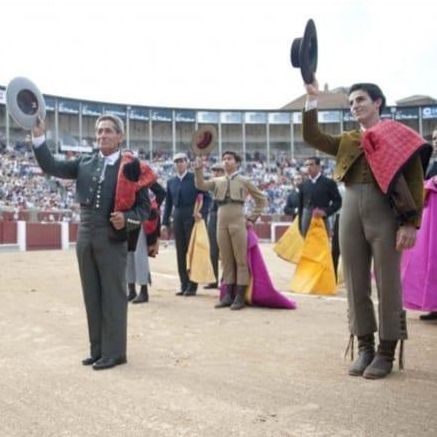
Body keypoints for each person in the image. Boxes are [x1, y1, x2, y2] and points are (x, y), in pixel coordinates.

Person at [303, 78, 429, 379]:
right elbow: (312, 136)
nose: (354, 106)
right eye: (351, 103)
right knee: (354, 280)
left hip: (385, 211)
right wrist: (311, 101)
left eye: (360, 100)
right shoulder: (347, 139)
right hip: (350, 209)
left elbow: (414, 178)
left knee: (388, 282)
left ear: (377, 103)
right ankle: (364, 348)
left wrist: (411, 223)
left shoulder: (400, 136)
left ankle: (386, 352)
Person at [31, 114, 151, 370]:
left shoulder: (130, 167)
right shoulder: (85, 162)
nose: (102, 135)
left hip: (111, 236)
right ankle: (97, 350)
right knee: (92, 294)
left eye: (108, 131)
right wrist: (39, 137)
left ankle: (116, 352)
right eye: (99, 131)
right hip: (85, 234)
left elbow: (144, 209)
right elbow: (51, 165)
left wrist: (127, 219)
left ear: (120, 136)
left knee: (113, 295)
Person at [194, 151, 267, 310]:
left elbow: (262, 199)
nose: (226, 161)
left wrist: (252, 218)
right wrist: (199, 169)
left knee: (240, 259)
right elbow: (200, 185)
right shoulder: (217, 180)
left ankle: (240, 296)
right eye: (224, 159)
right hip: (221, 219)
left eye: (230, 159)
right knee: (226, 259)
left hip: (237, 218)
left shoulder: (244, 180)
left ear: (237, 162)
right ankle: (228, 295)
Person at [161, 152, 210, 296]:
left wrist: (202, 213)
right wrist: (165, 223)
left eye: (181, 161)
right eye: (176, 162)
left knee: (192, 251)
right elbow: (168, 204)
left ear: (187, 163)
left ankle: (192, 285)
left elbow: (207, 199)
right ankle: (183, 283)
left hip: (192, 215)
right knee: (180, 251)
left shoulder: (195, 179)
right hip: (177, 216)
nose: (179, 164)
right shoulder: (171, 182)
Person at [127, 180, 166, 303]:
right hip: (128, 218)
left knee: (139, 255)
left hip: (141, 219)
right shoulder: (122, 178)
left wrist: (152, 206)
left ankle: (144, 291)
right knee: (128, 254)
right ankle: (131, 290)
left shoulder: (143, 178)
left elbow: (161, 192)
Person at [416, 128, 437, 320]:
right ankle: (434, 305)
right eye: (434, 138)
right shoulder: (432, 165)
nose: (436, 141)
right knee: (432, 261)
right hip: (431, 221)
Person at [297, 157, 342, 236]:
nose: (308, 167)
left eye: (311, 164)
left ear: (318, 167)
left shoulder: (329, 183)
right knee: (307, 244)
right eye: (306, 165)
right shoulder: (303, 185)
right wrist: (300, 225)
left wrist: (326, 212)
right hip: (306, 219)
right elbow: (300, 207)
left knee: (322, 245)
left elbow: (338, 202)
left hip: (322, 218)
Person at [204, 162, 225, 289]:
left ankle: (225, 280)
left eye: (219, 171)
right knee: (213, 250)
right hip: (213, 216)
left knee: (226, 250)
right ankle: (213, 280)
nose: (216, 173)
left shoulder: (226, 183)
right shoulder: (212, 185)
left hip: (224, 216)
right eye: (214, 171)